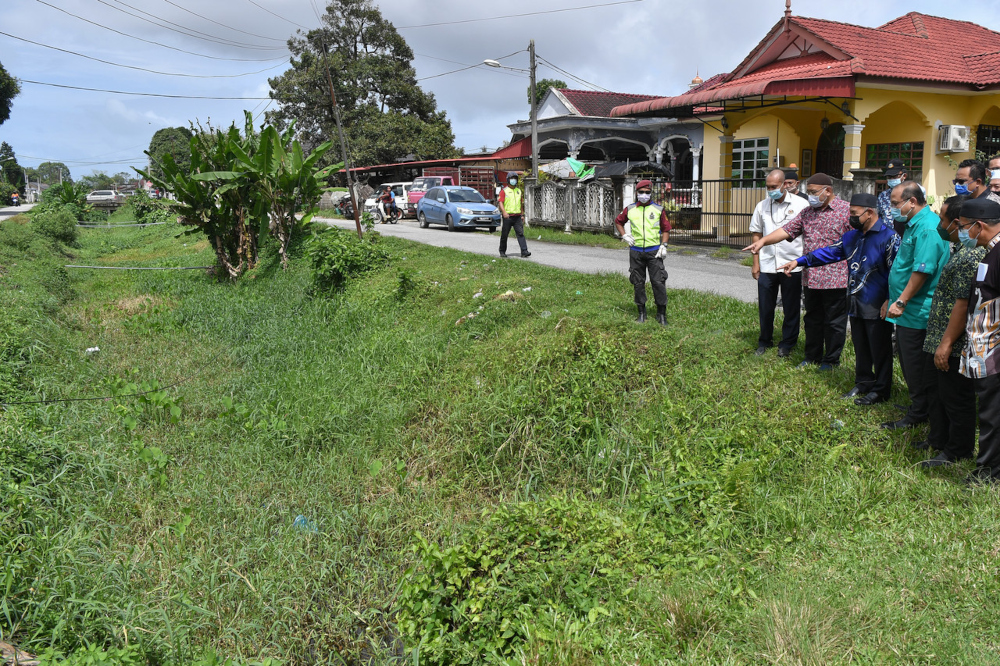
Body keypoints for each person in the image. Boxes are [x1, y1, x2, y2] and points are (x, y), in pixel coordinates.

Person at [778, 193, 900, 404]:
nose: (850, 217)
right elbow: (829, 253)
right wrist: (799, 261)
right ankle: (862, 382)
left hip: (878, 303)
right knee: (861, 346)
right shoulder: (852, 236)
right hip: (856, 301)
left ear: (869, 213)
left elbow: (896, 272)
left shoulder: (889, 238)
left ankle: (881, 390)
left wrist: (891, 299)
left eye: (854, 213)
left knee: (879, 349)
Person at [743, 173, 851, 370]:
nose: (809, 196)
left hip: (836, 276)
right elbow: (786, 230)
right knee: (812, 319)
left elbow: (857, 240)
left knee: (834, 322)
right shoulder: (808, 212)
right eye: (808, 192)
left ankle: (831, 360)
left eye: (813, 192)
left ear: (828, 191)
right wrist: (762, 241)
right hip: (810, 276)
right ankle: (812, 356)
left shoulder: (846, 211)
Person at [880, 181, 951, 430]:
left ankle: (920, 412)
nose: (892, 208)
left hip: (917, 311)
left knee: (916, 366)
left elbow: (923, 270)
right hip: (906, 309)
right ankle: (918, 405)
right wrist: (893, 297)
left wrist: (901, 300)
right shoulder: (914, 224)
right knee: (910, 363)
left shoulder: (928, 228)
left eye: (895, 203)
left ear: (912, 201)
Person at [919, 195, 983, 467]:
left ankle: (958, 450)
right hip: (940, 336)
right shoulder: (959, 250)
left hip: (954, 341)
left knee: (956, 398)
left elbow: (963, 304)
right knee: (938, 393)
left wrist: (946, 344)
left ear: (957, 223)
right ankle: (939, 439)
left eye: (943, 219)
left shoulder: (971, 255)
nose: (940, 225)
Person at [959, 198, 1000, 484]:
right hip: (984, 350)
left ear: (980, 226)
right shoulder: (991, 252)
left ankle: (988, 474)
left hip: (995, 352)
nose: (962, 233)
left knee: (993, 417)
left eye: (963, 228)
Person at [749, 168, 808, 356]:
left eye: (774, 186)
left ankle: (787, 343)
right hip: (767, 262)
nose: (771, 190)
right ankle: (764, 340)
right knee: (766, 306)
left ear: (784, 184)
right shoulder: (762, 206)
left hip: (792, 263)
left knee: (791, 307)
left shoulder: (801, 204)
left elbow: (807, 234)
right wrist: (755, 262)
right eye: (768, 187)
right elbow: (756, 232)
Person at [614, 179, 670, 325]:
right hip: (636, 251)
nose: (644, 195)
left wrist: (664, 245)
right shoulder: (631, 209)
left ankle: (661, 314)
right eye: (641, 192)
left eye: (647, 192)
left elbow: (666, 229)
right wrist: (624, 235)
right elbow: (618, 221)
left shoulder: (658, 209)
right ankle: (641, 313)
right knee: (638, 282)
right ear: (637, 193)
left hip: (654, 252)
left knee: (658, 282)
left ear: (651, 193)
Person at [498, 172, 530, 259]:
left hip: (517, 216)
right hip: (508, 216)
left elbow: (521, 203)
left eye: (515, 178)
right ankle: (502, 251)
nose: (514, 180)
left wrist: (522, 214)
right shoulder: (504, 191)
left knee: (520, 234)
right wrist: (504, 212)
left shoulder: (518, 191)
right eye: (512, 178)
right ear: (508, 180)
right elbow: (500, 202)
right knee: (505, 234)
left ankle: (524, 251)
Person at [878, 159, 909, 235]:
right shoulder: (883, 196)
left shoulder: (912, 194)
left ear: (904, 176)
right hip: (886, 238)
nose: (891, 179)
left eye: (894, 176)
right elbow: (878, 217)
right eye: (889, 177)